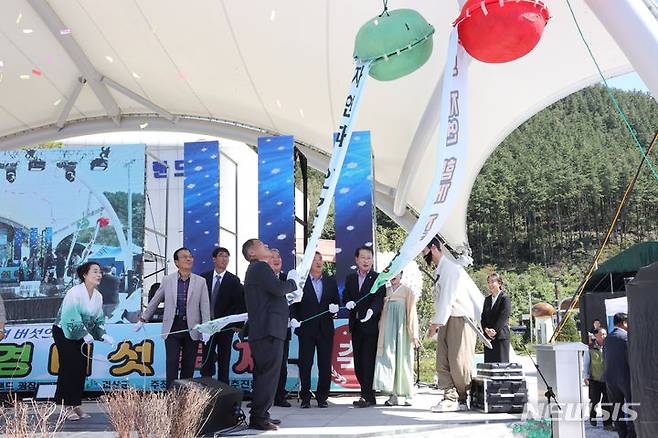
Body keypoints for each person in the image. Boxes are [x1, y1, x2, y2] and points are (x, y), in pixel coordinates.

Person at [242, 239, 299, 431]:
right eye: (260, 244)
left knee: (264, 375)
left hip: (267, 330)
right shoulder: (259, 268)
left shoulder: (258, 270)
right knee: (268, 376)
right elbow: (278, 289)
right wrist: (293, 282)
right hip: (268, 330)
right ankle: (259, 418)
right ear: (252, 253)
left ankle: (260, 415)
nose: (265, 244)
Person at [422, 236, 484, 412]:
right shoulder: (439, 271)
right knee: (442, 359)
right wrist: (437, 322)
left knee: (459, 361)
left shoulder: (451, 269)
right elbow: (440, 300)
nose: (423, 255)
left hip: (460, 318)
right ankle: (449, 396)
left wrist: (435, 324)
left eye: (424, 251)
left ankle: (463, 398)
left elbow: (447, 299)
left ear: (434, 248)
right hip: (445, 319)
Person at [136, 248, 210, 388]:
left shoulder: (200, 281)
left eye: (190, 256)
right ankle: (171, 396)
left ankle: (186, 397)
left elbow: (204, 306)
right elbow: (156, 300)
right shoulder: (168, 280)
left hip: (192, 327)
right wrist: (143, 319)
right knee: (172, 361)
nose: (189, 259)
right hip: (172, 326)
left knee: (189, 364)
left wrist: (206, 328)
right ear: (177, 262)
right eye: (184, 257)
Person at [52, 261, 115, 420]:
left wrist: (102, 334)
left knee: (81, 368)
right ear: (85, 275)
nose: (99, 275)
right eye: (94, 271)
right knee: (69, 367)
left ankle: (75, 404)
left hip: (82, 334)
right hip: (65, 332)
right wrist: (82, 333)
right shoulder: (74, 292)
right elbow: (69, 316)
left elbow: (98, 320)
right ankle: (66, 407)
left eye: (100, 272)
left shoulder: (98, 296)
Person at [290, 252, 340, 408]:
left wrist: (334, 309)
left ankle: (322, 397)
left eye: (321, 260)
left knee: (325, 364)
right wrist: (294, 318)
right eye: (314, 260)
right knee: (306, 364)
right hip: (306, 329)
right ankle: (305, 397)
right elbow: (294, 304)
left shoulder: (330, 281)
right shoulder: (301, 282)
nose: (319, 262)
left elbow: (335, 304)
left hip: (325, 329)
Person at [343, 245, 386, 408]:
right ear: (356, 260)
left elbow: (379, 297)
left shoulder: (377, 278)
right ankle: (366, 394)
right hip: (356, 326)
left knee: (368, 361)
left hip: (370, 326)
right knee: (359, 362)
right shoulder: (350, 278)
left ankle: (366, 396)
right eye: (363, 257)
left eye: (369, 257)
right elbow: (346, 295)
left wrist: (371, 311)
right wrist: (347, 302)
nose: (366, 261)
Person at [373, 271, 419, 407]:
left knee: (404, 359)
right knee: (389, 359)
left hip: (402, 330)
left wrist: (414, 334)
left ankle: (407, 394)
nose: (394, 276)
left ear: (401, 275)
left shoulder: (407, 291)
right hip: (387, 331)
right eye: (392, 273)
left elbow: (412, 313)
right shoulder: (385, 291)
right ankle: (392, 394)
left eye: (397, 273)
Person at [200, 247, 246, 384]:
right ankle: (206, 386)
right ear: (214, 259)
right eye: (221, 256)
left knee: (224, 357)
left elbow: (240, 303)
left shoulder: (233, 280)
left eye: (227, 256)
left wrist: (238, 324)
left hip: (225, 326)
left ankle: (223, 387)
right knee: (207, 357)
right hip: (208, 325)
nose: (224, 259)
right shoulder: (204, 278)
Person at [603, 312, 636, 438]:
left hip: (610, 378)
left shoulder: (607, 339)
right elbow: (632, 359)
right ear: (624, 323)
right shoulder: (627, 337)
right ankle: (632, 434)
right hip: (626, 377)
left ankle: (622, 433)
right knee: (633, 407)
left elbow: (604, 358)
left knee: (616, 408)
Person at [268, 248, 292, 407]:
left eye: (279, 256)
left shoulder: (287, 279)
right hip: (265, 328)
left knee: (281, 364)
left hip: (284, 328)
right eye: (272, 257)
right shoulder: (263, 278)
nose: (277, 259)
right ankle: (263, 397)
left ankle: (279, 396)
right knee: (263, 364)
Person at [584, 328, 613, 430]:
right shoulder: (590, 349)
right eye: (601, 335)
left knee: (606, 402)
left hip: (607, 380)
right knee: (594, 400)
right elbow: (586, 364)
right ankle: (592, 415)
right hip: (594, 379)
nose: (604, 336)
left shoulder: (609, 347)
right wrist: (586, 377)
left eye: (605, 334)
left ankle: (608, 424)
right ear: (596, 336)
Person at [481, 272, 511, 363]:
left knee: (501, 366)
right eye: (488, 282)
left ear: (499, 283)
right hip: (488, 339)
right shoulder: (487, 299)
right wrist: (486, 329)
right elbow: (483, 317)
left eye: (492, 282)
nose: (490, 284)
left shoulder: (505, 298)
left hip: (501, 337)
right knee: (489, 366)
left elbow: (503, 316)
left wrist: (494, 331)